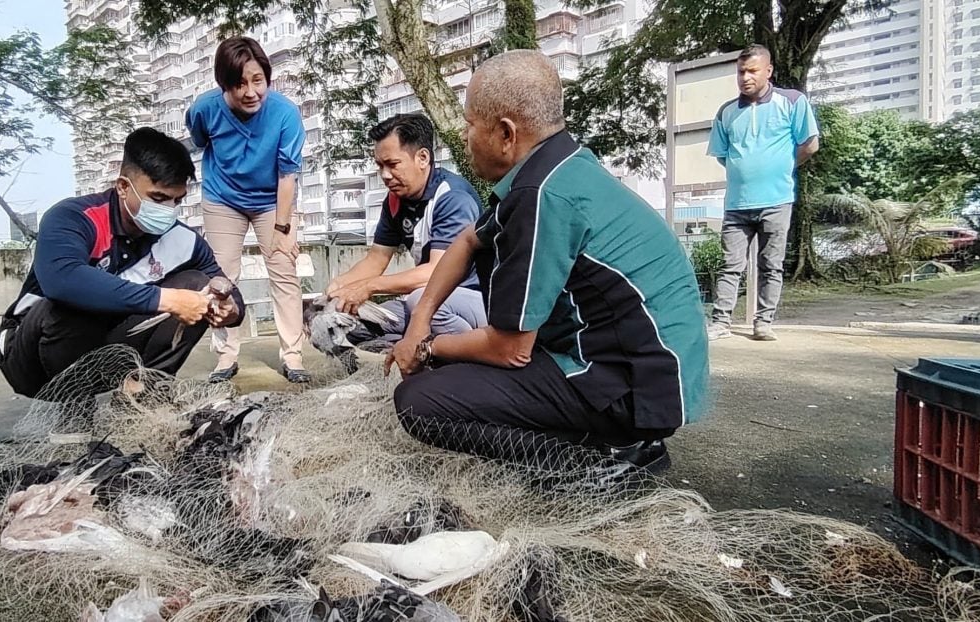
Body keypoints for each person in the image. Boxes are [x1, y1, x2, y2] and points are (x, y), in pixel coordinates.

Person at [387, 50, 709, 484]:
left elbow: (510, 349)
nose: (464, 137)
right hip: (638, 366)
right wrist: (419, 323)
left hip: (631, 386)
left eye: (469, 125)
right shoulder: (557, 167)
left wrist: (426, 348)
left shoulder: (540, 194)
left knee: (419, 402)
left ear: (505, 133)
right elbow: (468, 240)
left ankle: (601, 461)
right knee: (453, 367)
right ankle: (602, 438)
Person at [0, 127, 245, 399]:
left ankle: (144, 399)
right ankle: (75, 413)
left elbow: (227, 289)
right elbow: (61, 280)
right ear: (124, 187)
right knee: (72, 302)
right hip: (31, 356)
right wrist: (169, 299)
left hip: (107, 350)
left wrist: (229, 309)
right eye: (158, 198)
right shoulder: (73, 218)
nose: (168, 210)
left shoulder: (182, 240)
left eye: (177, 201)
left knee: (198, 286)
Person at [186, 36, 309, 383]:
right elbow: (199, 139)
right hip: (222, 199)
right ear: (224, 84)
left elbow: (288, 176)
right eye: (239, 84)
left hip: (273, 200)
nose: (251, 91)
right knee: (221, 277)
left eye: (258, 80)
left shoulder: (285, 114)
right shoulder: (205, 108)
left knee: (284, 271)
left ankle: (294, 356)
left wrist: (284, 231)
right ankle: (226, 357)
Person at [321, 113, 485, 365]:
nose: (385, 175)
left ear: (422, 158)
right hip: (429, 298)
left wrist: (368, 287)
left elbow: (437, 273)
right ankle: (410, 359)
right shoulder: (396, 200)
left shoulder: (452, 198)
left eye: (393, 164)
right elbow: (376, 259)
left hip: (473, 298)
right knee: (340, 325)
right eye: (380, 166)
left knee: (422, 302)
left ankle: (472, 360)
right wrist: (336, 290)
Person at [706, 44, 819, 342]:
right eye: (741, 71)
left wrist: (781, 166)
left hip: (777, 201)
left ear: (768, 71)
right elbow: (722, 154)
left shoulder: (792, 102)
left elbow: (809, 145)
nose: (745, 77)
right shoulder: (726, 112)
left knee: (772, 265)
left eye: (752, 71)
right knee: (730, 266)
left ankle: (763, 322)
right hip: (736, 204)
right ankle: (721, 322)